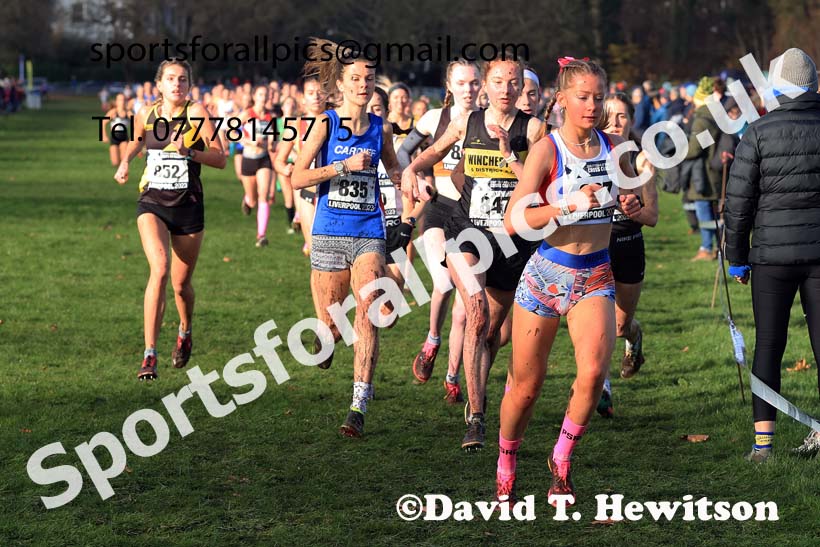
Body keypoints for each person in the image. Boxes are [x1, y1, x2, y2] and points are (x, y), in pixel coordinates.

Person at [495, 58, 642, 506]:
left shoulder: (615, 147)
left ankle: (561, 460)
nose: (593, 106)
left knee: (594, 373)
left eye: (599, 97)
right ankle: (506, 461)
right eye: (583, 97)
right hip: (545, 275)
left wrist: (629, 204)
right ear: (561, 99)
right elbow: (514, 220)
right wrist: (565, 206)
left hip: (595, 274)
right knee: (526, 386)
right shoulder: (548, 150)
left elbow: (630, 199)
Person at [402, 57, 544, 450]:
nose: (505, 88)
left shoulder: (533, 129)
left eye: (512, 82)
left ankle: (474, 393)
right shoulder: (468, 122)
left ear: (521, 87)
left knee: (492, 336)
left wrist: (508, 155)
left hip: (512, 243)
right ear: (487, 84)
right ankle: (478, 417)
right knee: (476, 312)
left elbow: (540, 188)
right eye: (498, 81)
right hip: (467, 232)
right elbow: (433, 151)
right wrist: (413, 169)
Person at [291, 39, 401, 438]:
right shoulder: (326, 124)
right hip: (328, 233)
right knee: (331, 325)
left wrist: (411, 186)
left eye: (369, 79)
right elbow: (298, 177)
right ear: (341, 82)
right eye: (355, 78)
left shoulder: (380, 128)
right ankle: (327, 340)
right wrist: (341, 166)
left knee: (368, 309)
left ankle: (358, 404)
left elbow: (395, 170)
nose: (363, 85)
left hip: (368, 232)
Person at [724, 48, 820, 462]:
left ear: (775, 88)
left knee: (768, 346)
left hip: (770, 258)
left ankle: (762, 445)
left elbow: (738, 202)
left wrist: (736, 257)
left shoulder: (758, 131)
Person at [113, 59, 226, 380]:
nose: (177, 84)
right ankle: (149, 354)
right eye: (171, 79)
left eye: (183, 79)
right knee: (159, 269)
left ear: (189, 85)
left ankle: (185, 330)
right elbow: (137, 139)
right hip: (153, 202)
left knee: (181, 286)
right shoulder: (146, 113)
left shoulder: (196, 113)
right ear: (159, 84)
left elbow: (220, 157)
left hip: (188, 206)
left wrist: (190, 152)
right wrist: (125, 162)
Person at [398, 60, 481, 403]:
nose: (468, 89)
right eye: (461, 83)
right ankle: (432, 339)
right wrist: (414, 176)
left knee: (465, 307)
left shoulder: (489, 121)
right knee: (444, 282)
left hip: (473, 216)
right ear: (449, 84)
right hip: (438, 209)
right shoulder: (434, 118)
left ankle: (452, 377)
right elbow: (404, 152)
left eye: (474, 82)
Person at [595, 92, 659, 417]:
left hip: (628, 245)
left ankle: (635, 339)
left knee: (620, 326)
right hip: (595, 247)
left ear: (631, 121)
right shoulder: (590, 154)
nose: (615, 122)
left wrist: (635, 210)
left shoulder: (641, 159)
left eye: (622, 116)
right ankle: (602, 388)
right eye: (609, 115)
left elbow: (653, 216)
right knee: (600, 324)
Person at [369, 87, 424, 311]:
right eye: (366, 109)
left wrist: (409, 220)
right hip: (365, 226)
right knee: (368, 301)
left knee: (388, 310)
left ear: (386, 110)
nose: (371, 114)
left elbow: (421, 187)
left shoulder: (401, 147)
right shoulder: (351, 145)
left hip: (395, 223)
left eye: (376, 109)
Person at [274, 77, 327, 256]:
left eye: (320, 92)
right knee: (315, 252)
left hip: (332, 192)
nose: (316, 97)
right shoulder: (296, 126)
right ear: (303, 98)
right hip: (307, 192)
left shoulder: (337, 122)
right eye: (311, 93)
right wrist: (285, 169)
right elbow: (279, 160)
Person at [685, 77, 723, 261]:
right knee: (714, 212)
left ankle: (707, 248)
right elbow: (708, 143)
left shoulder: (702, 119)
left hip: (704, 174)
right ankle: (718, 247)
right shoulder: (715, 114)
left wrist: (678, 152)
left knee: (704, 210)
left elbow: (695, 149)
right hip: (714, 170)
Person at [238, 85, 276, 247]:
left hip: (263, 159)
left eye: (265, 94)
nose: (263, 97)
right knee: (253, 200)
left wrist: (270, 143)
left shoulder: (269, 117)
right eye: (260, 94)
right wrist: (248, 141)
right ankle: (247, 200)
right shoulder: (247, 114)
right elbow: (231, 132)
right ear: (254, 96)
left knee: (264, 195)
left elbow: (272, 139)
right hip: (248, 158)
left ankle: (261, 235)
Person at [102, 93, 130, 167]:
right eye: (120, 100)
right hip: (114, 138)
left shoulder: (128, 113)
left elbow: (137, 123)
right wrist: (104, 135)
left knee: (124, 160)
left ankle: (122, 175)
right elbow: (103, 122)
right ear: (117, 102)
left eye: (124, 100)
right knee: (115, 162)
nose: (122, 102)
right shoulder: (113, 112)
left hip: (124, 137)